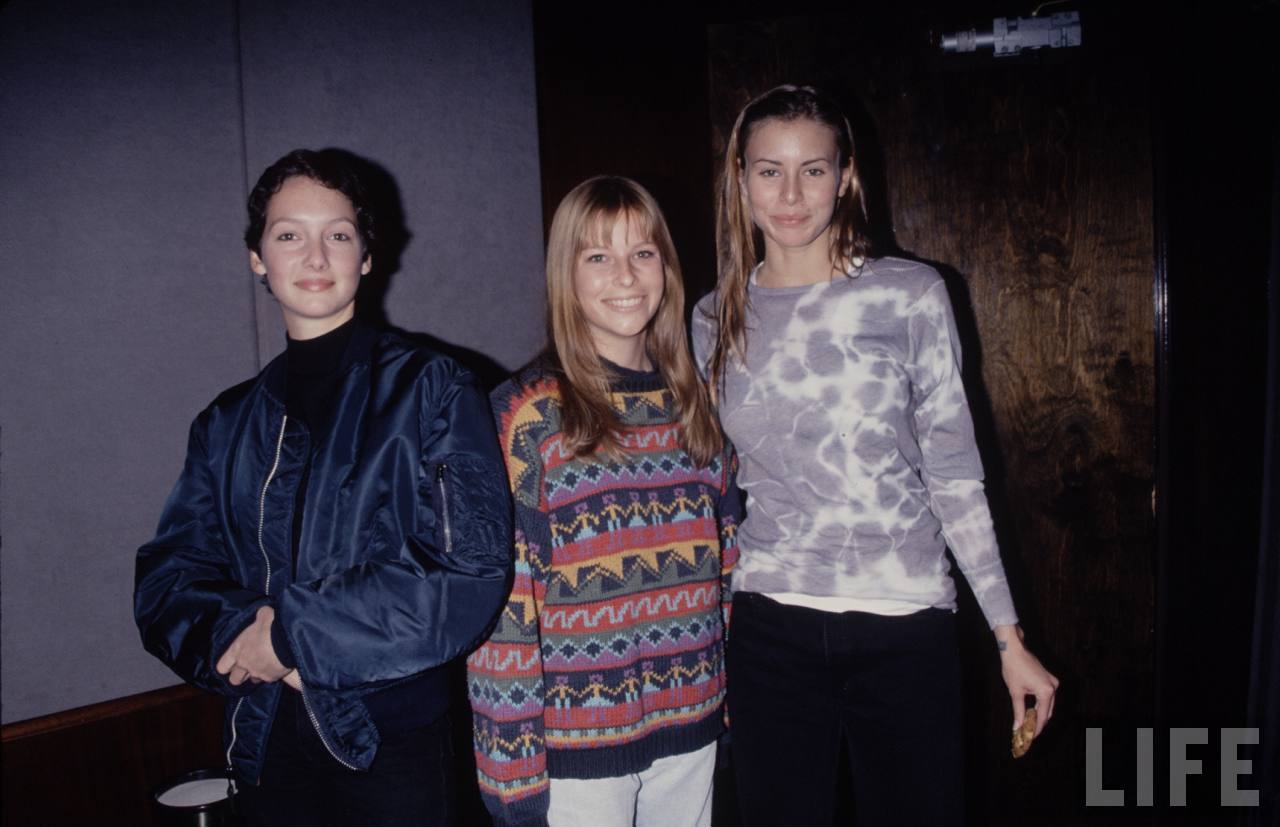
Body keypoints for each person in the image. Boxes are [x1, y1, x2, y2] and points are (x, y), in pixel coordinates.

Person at [692, 85, 1060, 825]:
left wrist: (1008, 636)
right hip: (771, 627)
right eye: (769, 170)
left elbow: (954, 475)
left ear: (845, 175)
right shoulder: (713, 317)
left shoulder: (911, 294)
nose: (790, 194)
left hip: (905, 625)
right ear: (740, 178)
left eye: (813, 170)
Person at [134, 148, 513, 826]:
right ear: (257, 258)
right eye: (289, 235)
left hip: (392, 739)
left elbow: (469, 572)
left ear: (366, 255)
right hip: (266, 734)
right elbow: (168, 579)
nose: (314, 256)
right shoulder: (225, 423)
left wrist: (292, 638)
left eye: (337, 234)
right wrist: (244, 635)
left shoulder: (434, 388)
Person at [467, 176, 742, 827]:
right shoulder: (529, 416)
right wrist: (511, 774)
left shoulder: (699, 406)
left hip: (692, 731)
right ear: (566, 275)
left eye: (643, 252)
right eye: (598, 255)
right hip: (575, 757)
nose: (625, 275)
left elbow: (728, 574)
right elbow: (503, 611)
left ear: (666, 268)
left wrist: (728, 709)